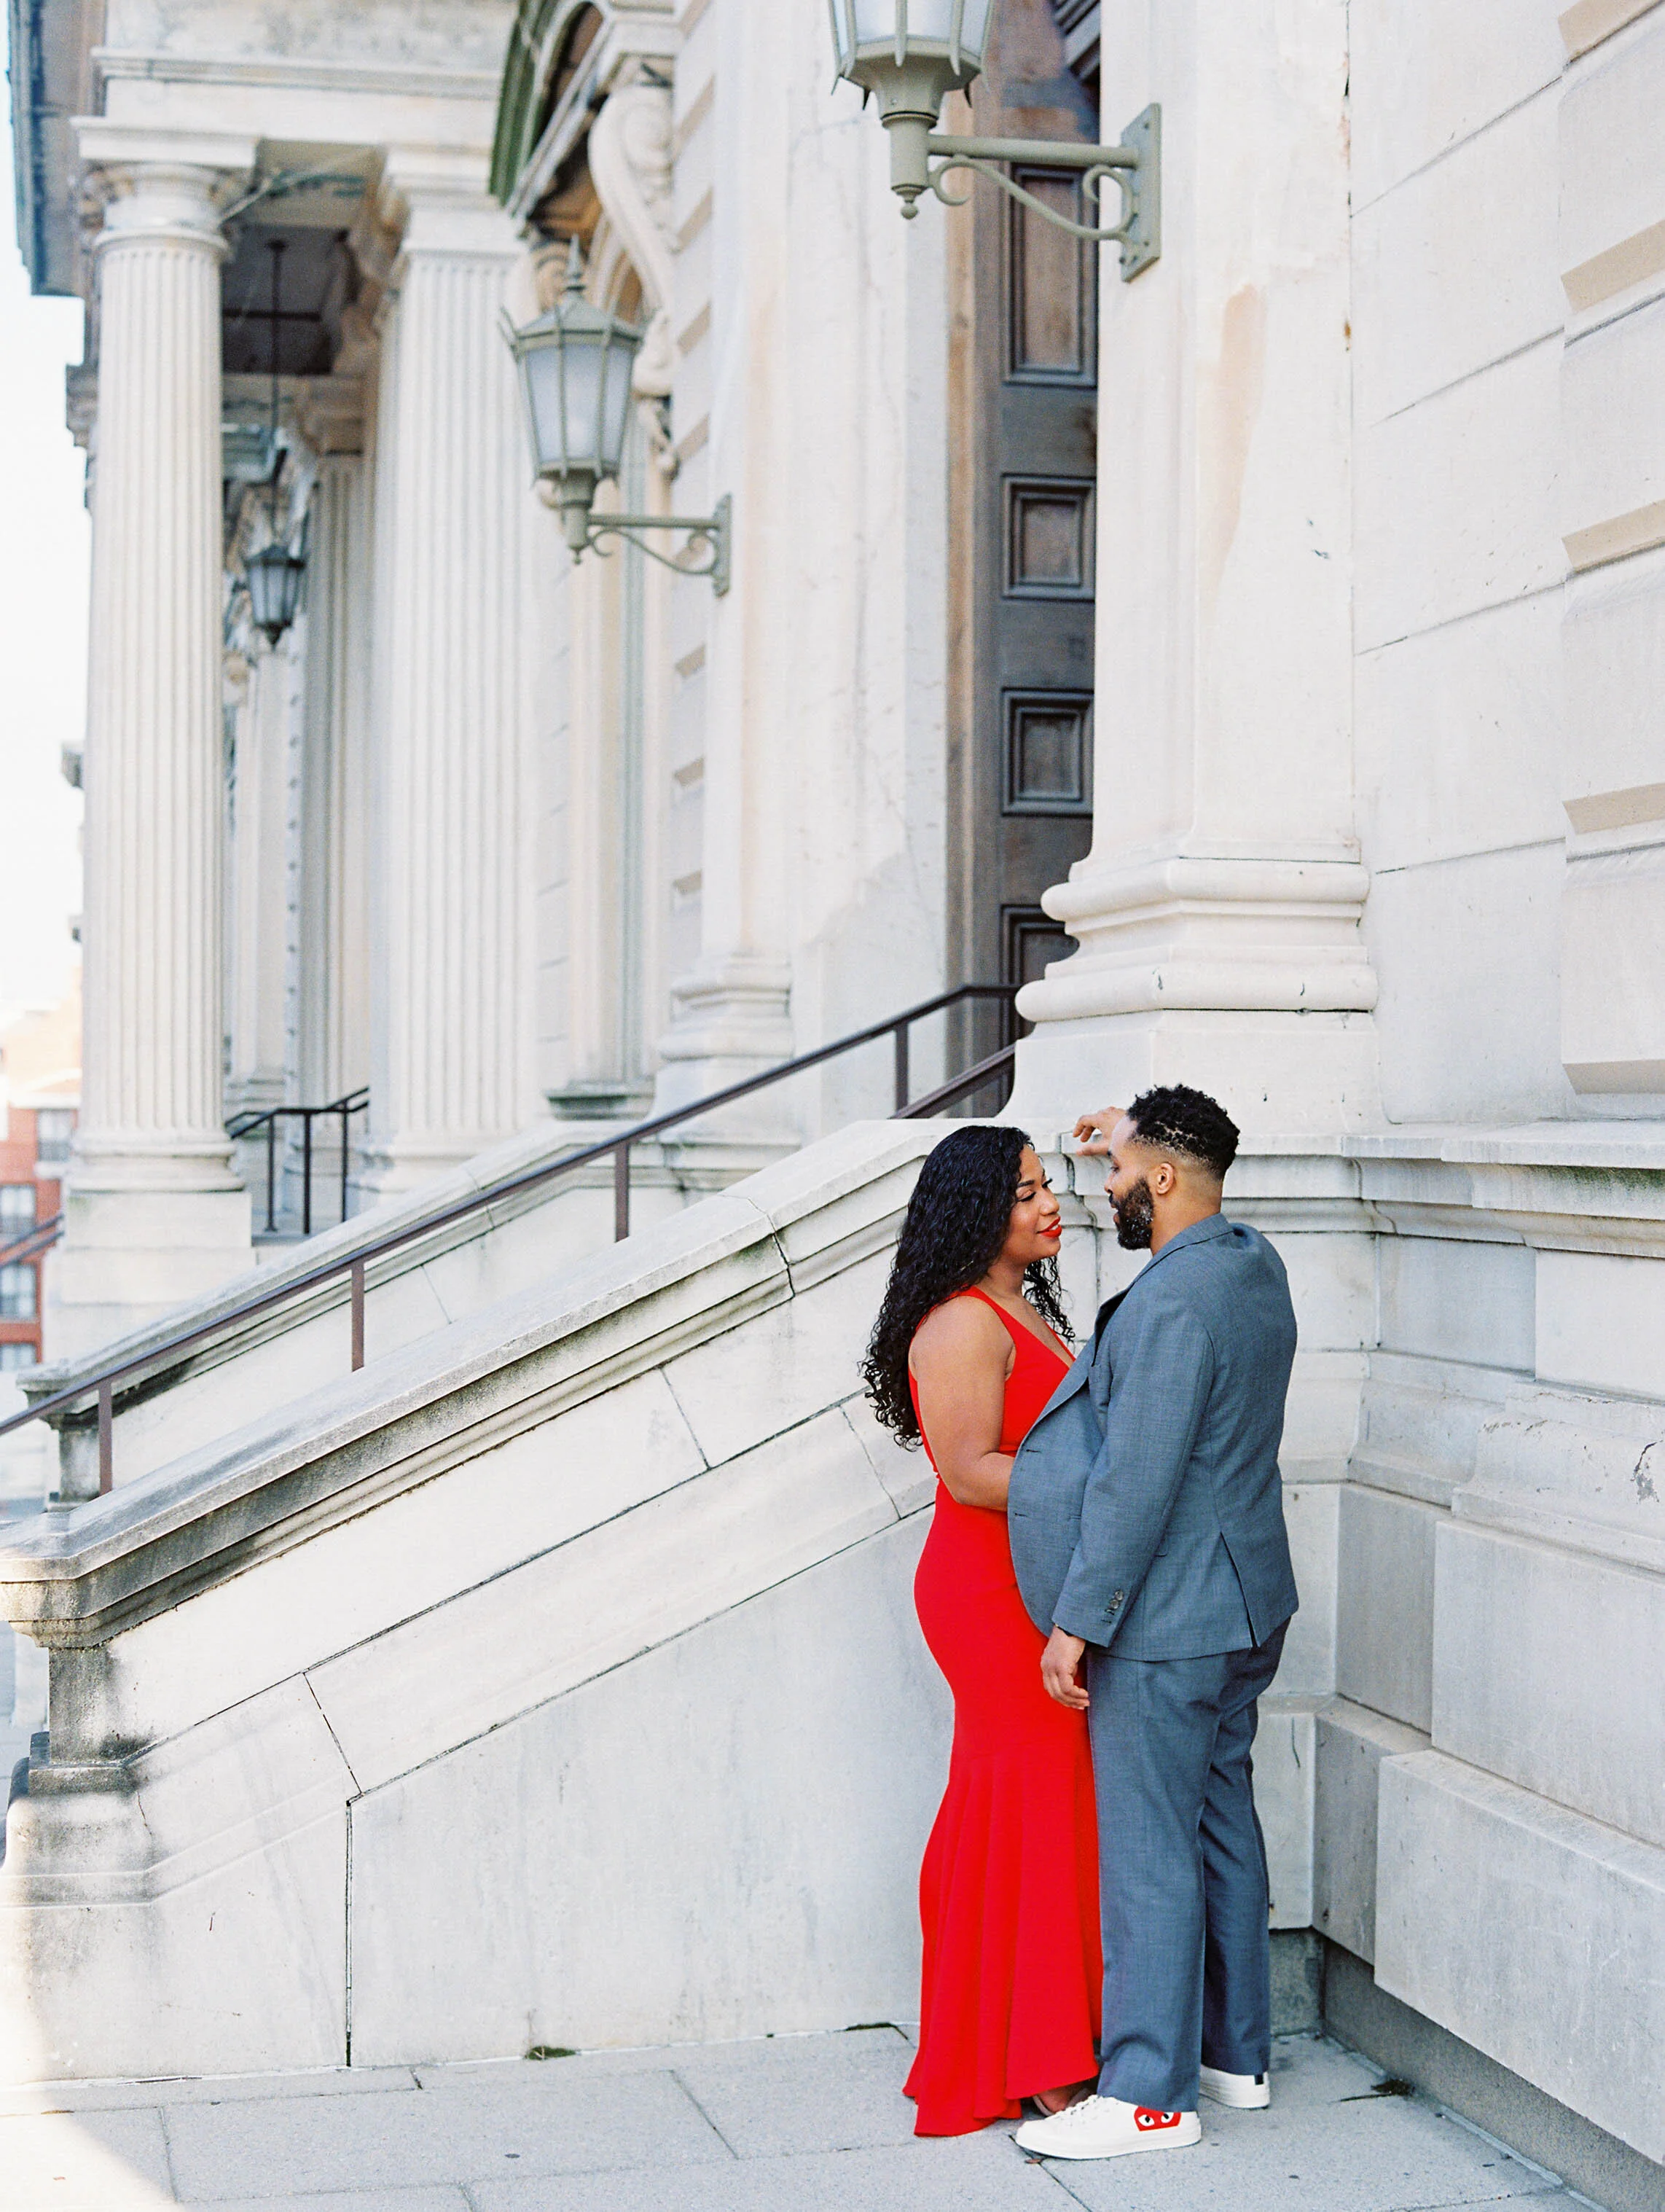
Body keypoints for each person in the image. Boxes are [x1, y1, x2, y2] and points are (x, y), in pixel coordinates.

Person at [1006, 1085, 1299, 2163]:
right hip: (1244, 1605)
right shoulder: (1250, 1262)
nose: (1108, 1186)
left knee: (1147, 1845)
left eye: (1122, 1171)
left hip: (1171, 1616)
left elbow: (1136, 1481)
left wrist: (1077, 1623)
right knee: (1222, 1824)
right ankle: (1237, 2056)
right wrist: (1123, 1127)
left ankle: (1147, 2092)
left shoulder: (1172, 1305)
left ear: (1166, 1178)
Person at [862, 1124, 1102, 2136]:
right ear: (973, 1211)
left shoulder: (1020, 1306)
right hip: (987, 1589)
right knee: (1031, 1798)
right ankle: (1039, 2056)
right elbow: (968, 1471)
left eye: (1048, 1186)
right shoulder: (963, 1323)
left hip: (1027, 1576)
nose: (1050, 1205)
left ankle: (1026, 2035)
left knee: (1032, 1802)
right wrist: (1108, 1487)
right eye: (1025, 1193)